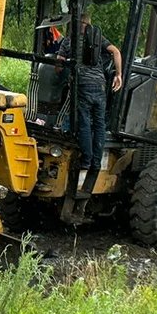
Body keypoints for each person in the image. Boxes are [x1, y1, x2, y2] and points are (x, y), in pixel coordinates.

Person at [58, 10, 122, 194]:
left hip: (83, 86)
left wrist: (62, 69)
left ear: (76, 23)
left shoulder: (69, 40)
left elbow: (59, 64)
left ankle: (86, 160)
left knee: (84, 122)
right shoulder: (97, 38)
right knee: (99, 124)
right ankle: (96, 161)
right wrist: (118, 75)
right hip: (100, 85)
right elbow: (116, 52)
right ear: (89, 23)